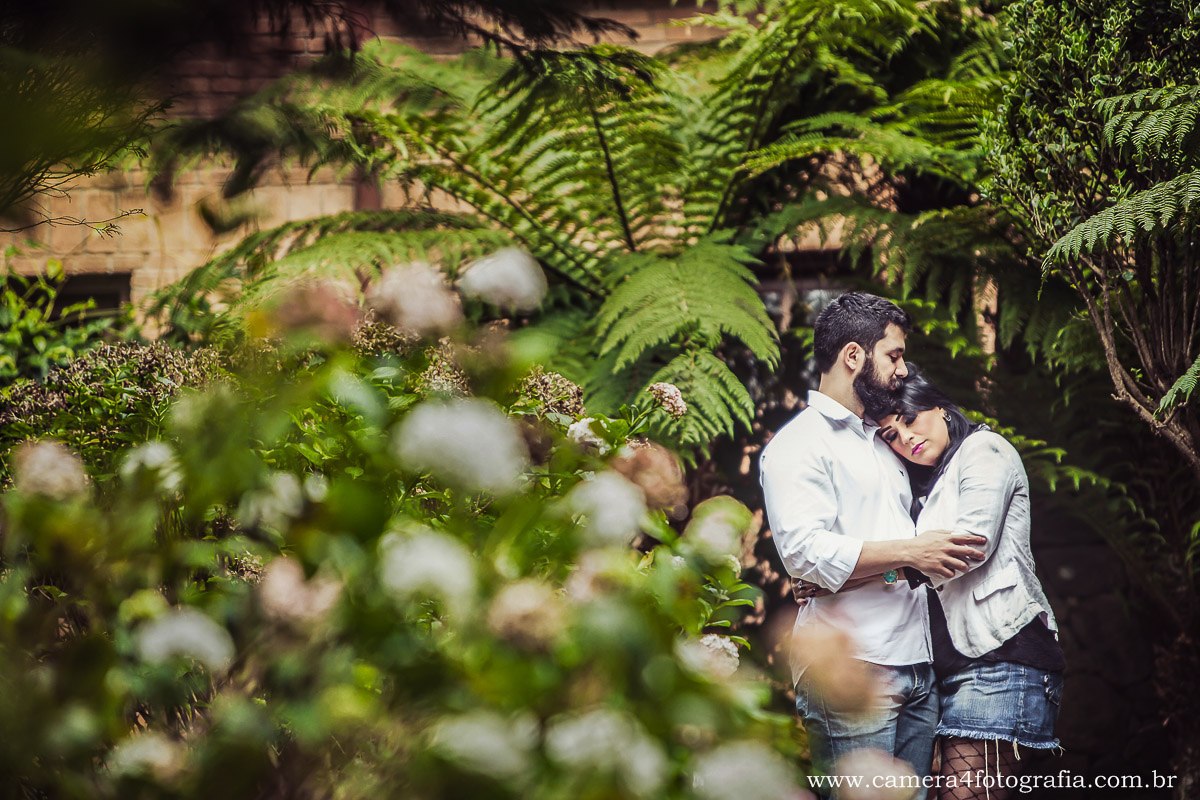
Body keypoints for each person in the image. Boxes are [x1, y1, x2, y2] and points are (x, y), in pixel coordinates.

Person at [759, 292, 987, 787]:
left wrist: (874, 569)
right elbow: (803, 552)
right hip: (852, 669)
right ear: (854, 356)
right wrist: (910, 553)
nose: (903, 370)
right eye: (894, 355)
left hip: (917, 664)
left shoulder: (884, 441)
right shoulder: (799, 444)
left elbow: (885, 562)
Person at [875, 366, 1065, 800]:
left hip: (1002, 660)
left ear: (938, 406)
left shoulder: (985, 449)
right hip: (953, 669)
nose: (904, 437)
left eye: (908, 418)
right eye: (890, 435)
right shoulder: (933, 479)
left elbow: (968, 546)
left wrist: (861, 572)